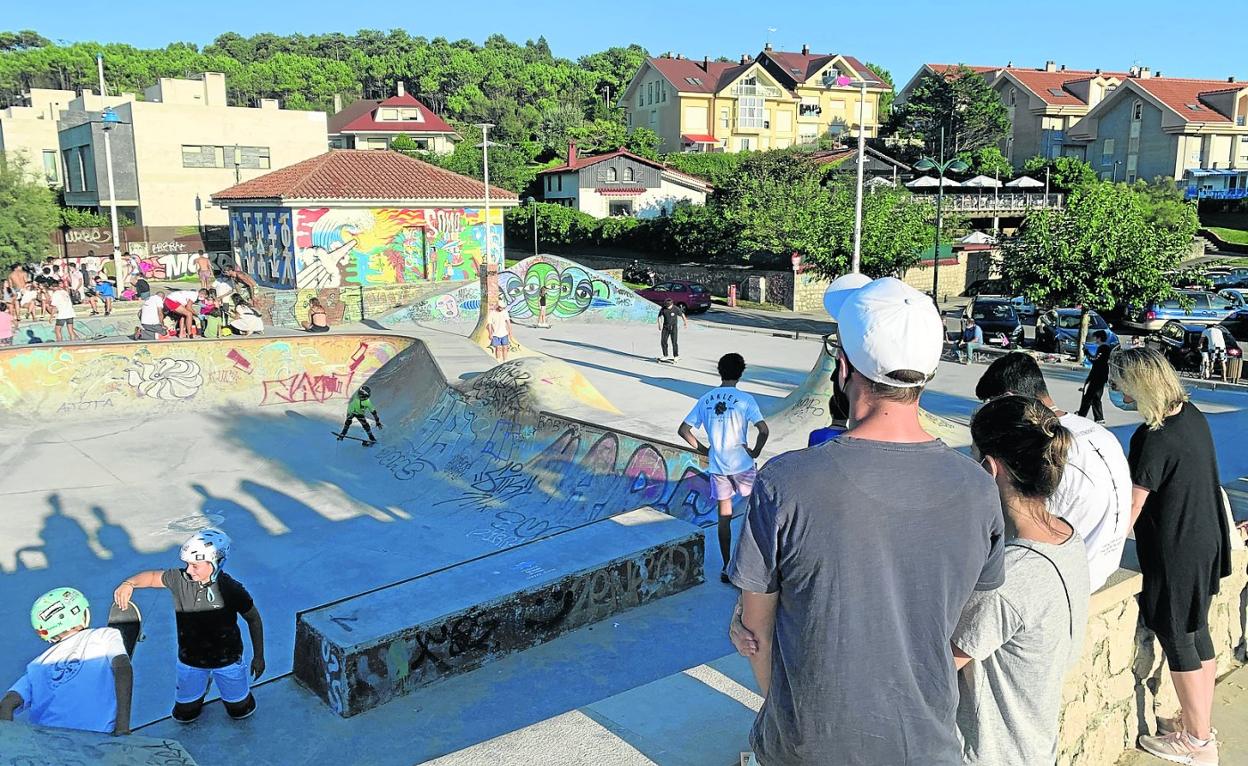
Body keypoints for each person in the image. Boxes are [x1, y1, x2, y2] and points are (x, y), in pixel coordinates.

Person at [728, 275, 1005, 766]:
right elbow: (970, 624)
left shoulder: (786, 481)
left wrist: (790, 720)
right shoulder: (979, 488)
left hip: (808, 747)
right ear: (928, 374)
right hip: (927, 745)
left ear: (842, 367)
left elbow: (756, 632)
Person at [952, 395, 1090, 765]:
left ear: (989, 468)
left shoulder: (1010, 577)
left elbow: (940, 665)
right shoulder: (1066, 539)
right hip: (1035, 748)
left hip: (993, 754)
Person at [1109, 347, 1232, 763]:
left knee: (1177, 636)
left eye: (1117, 385)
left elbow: (1130, 510)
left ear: (1137, 386)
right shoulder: (1190, 417)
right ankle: (1197, 720)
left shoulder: (1153, 438)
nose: (1114, 392)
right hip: (1207, 539)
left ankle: (1197, 743)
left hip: (1176, 549)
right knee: (1198, 631)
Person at [975, 352, 1132, 593]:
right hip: (1101, 564)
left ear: (1010, 399)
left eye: (993, 406)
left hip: (1068, 579)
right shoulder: (1097, 432)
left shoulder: (1042, 447)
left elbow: (1026, 530)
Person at [113, 530, 264, 723]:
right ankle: (202, 683)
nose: (189, 570)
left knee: (241, 712)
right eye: (187, 564)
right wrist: (129, 583)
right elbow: (151, 577)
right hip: (190, 660)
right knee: (185, 716)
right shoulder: (180, 579)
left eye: (195, 565)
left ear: (216, 563)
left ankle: (231, 690)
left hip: (228, 660)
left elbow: (253, 619)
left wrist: (259, 656)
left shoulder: (232, 589)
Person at [678, 353, 769, 583]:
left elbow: (683, 430)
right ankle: (751, 565)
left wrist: (703, 449)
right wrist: (756, 451)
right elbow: (764, 430)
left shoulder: (706, 399)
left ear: (720, 371)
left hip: (719, 466)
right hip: (743, 465)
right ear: (741, 373)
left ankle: (727, 566)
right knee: (753, 515)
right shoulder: (745, 399)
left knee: (724, 517)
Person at [0, 587, 133, 735]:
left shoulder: (37, 665)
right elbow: (122, 668)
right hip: (97, 736)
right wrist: (122, 726)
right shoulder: (104, 635)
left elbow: (7, 704)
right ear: (82, 614)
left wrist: (8, 739)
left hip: (47, 744)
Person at [1078, 331, 1113, 423]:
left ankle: (1081, 415)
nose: (1095, 340)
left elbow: (1096, 360)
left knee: (1089, 397)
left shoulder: (1104, 348)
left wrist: (1087, 353)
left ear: (1099, 338)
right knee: (1095, 398)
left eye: (1095, 338)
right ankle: (1099, 418)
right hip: (1099, 375)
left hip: (1098, 376)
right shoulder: (1104, 348)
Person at [657, 298, 687, 362]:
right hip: (665, 328)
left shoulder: (675, 308)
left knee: (674, 342)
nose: (668, 307)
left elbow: (682, 315)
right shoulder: (663, 309)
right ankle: (665, 355)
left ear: (672, 304)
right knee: (663, 341)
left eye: (669, 306)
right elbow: (659, 317)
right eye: (667, 306)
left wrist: (685, 322)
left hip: (673, 328)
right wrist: (659, 324)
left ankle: (676, 356)